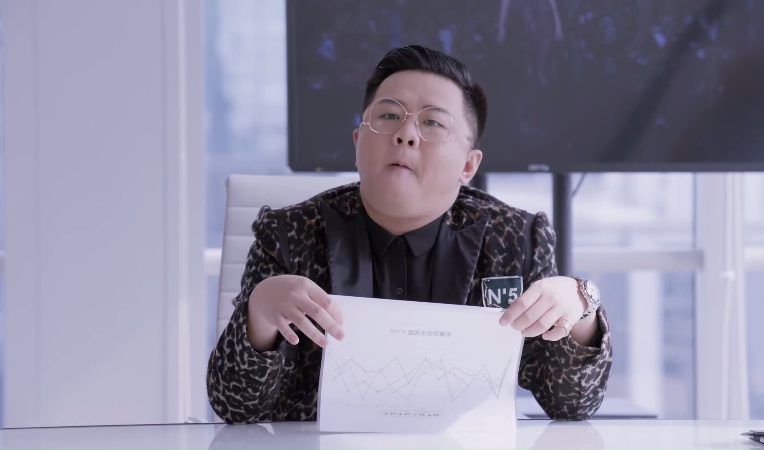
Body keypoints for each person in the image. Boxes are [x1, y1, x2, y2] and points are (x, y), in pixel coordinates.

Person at [206, 44, 612, 424]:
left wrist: (582, 306)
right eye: (388, 116)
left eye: (432, 123)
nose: (406, 134)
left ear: (468, 166)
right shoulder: (287, 235)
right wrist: (259, 313)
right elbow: (235, 408)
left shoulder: (516, 239)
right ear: (358, 143)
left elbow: (572, 404)